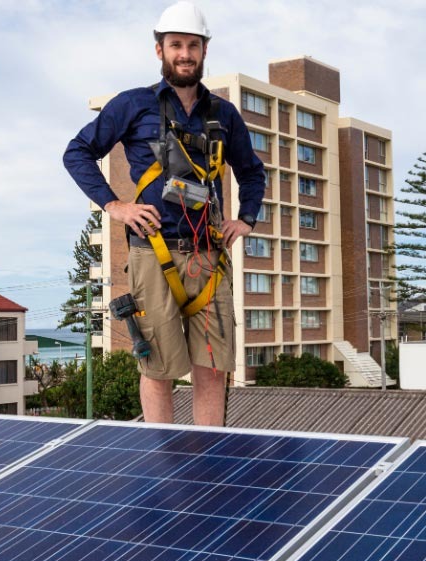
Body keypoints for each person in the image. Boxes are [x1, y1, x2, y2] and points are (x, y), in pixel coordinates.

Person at [63, 1, 264, 426]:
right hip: (152, 254)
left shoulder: (224, 115)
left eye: (193, 45)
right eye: (176, 45)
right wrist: (114, 205)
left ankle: (209, 459)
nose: (185, 53)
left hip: (208, 257)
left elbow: (251, 171)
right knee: (158, 369)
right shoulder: (132, 105)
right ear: (160, 51)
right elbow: (77, 152)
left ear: (204, 51)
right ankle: (163, 462)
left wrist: (246, 219)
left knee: (213, 368)